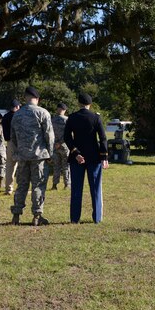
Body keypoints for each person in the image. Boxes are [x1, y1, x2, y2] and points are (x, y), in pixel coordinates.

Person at [10, 86, 54, 226]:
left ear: (25, 98)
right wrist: (50, 153)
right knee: (38, 186)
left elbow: (13, 137)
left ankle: (16, 215)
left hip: (22, 156)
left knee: (21, 185)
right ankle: (37, 215)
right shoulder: (43, 113)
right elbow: (49, 135)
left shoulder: (17, 115)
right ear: (37, 99)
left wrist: (18, 152)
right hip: (39, 156)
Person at [64, 92, 109, 224]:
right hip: (94, 157)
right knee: (95, 188)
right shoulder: (96, 118)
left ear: (79, 103)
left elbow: (67, 137)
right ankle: (97, 218)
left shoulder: (71, 118)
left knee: (76, 189)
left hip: (76, 158)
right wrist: (104, 156)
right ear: (90, 104)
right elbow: (103, 138)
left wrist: (75, 153)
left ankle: (74, 218)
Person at [2, 99, 21, 195]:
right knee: (22, 165)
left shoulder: (5, 116)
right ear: (17, 107)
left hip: (9, 143)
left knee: (10, 166)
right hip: (19, 143)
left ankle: (8, 188)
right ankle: (20, 187)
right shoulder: (19, 116)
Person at [51, 102, 70, 190]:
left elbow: (49, 133)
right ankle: (67, 184)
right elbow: (68, 134)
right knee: (66, 166)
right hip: (64, 145)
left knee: (56, 166)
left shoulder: (52, 120)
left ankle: (55, 185)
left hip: (54, 146)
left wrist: (55, 143)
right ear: (65, 110)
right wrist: (61, 142)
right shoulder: (67, 120)